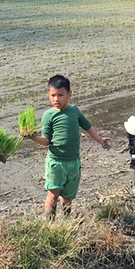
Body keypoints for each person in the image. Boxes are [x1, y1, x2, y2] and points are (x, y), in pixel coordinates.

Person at [27, 75, 111, 215]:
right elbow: (46, 140)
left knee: (67, 197)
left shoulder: (75, 111)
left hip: (73, 162)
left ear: (69, 95)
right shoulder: (48, 115)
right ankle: (50, 224)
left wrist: (100, 140)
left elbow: (88, 127)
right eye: (53, 95)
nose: (56, 99)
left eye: (60, 95)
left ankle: (67, 222)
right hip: (56, 162)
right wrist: (33, 137)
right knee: (53, 195)